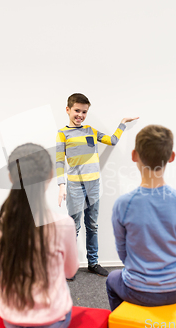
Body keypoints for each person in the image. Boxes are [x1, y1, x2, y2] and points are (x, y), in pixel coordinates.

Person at [106, 125, 176, 311]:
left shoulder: (123, 204)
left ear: (134, 155)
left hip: (138, 290)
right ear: (171, 157)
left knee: (112, 279)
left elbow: (123, 252)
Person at [0, 143, 79, 328]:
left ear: (10, 177)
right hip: (51, 323)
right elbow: (70, 271)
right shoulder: (63, 224)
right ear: (50, 175)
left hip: (11, 320)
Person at [56, 93, 138, 278]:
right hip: (75, 186)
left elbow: (113, 141)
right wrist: (62, 185)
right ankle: (66, 267)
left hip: (94, 185)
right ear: (68, 110)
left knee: (92, 225)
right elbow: (59, 161)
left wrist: (122, 123)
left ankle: (93, 263)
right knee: (73, 227)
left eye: (84, 112)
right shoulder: (62, 134)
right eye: (77, 110)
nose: (80, 115)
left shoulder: (90, 131)